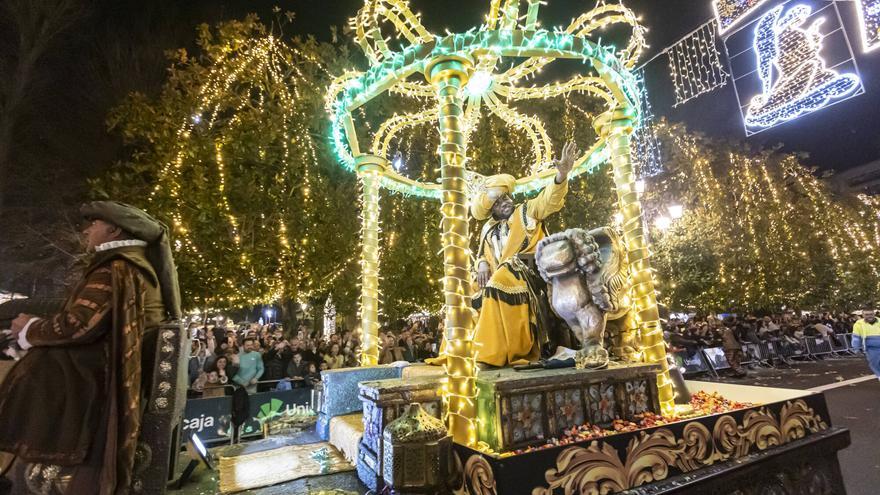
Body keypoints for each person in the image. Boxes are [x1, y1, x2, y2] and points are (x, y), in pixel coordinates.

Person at [0, 201, 181, 494]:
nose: (86, 230)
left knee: (17, 374)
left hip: (95, 379)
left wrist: (30, 329)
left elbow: (80, 324)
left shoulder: (116, 267)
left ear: (113, 229)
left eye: (93, 224)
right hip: (97, 370)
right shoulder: (126, 264)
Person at [468, 141, 578, 367]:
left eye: (506, 197)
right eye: (499, 201)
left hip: (531, 270)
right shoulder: (487, 229)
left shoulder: (526, 211)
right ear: (491, 210)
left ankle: (506, 352)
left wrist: (561, 175)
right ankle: (468, 351)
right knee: (467, 288)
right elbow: (482, 255)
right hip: (501, 273)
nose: (506, 202)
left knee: (502, 276)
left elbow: (548, 201)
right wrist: (481, 264)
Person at [852, 307, 880, 380]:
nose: (869, 316)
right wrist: (856, 348)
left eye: (871, 314)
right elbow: (856, 337)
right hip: (871, 348)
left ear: (874, 314)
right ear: (863, 315)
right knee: (874, 363)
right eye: (867, 314)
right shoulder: (859, 324)